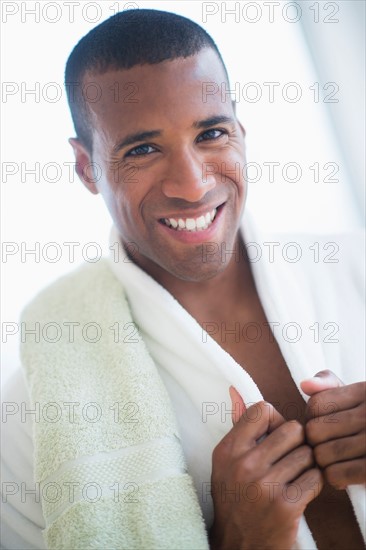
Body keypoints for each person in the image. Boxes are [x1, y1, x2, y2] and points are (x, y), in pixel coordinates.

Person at [1, 8, 365, 550]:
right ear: (85, 167)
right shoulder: (36, 418)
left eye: (211, 133)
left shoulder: (356, 268)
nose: (193, 186)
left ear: (240, 131)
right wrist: (235, 540)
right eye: (142, 149)